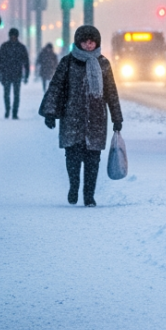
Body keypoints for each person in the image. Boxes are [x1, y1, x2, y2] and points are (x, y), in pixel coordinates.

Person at [40, 25, 122, 207]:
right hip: (72, 119)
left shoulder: (103, 64)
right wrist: (50, 113)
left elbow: (111, 92)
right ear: (79, 42)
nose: (88, 45)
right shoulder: (68, 62)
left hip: (96, 119)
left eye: (92, 41)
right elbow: (56, 87)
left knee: (93, 160)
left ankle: (89, 195)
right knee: (73, 157)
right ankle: (74, 186)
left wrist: (117, 117)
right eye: (85, 41)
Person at [0, 28, 29, 120]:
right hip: (14, 74)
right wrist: (26, 75)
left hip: (10, 74)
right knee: (12, 94)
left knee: (11, 94)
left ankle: (12, 112)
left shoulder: (5, 46)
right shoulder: (21, 47)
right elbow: (26, 62)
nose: (13, 37)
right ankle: (10, 111)